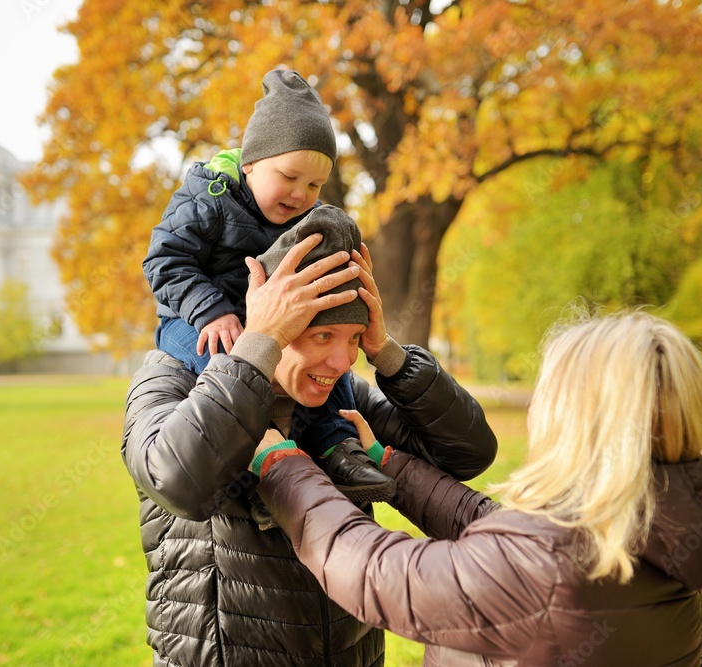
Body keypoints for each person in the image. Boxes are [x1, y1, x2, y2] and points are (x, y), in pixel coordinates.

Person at [256, 311, 702, 666]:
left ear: (580, 419)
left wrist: (285, 467)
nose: (535, 407)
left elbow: (375, 571)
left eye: (547, 391)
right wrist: (393, 467)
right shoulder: (660, 522)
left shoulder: (543, 571)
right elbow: (504, 533)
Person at [121, 207, 498, 666]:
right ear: (274, 321)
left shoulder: (342, 396)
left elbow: (469, 453)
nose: (342, 361)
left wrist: (388, 354)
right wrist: (257, 344)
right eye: (322, 335)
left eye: (354, 337)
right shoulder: (171, 380)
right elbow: (179, 483)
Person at [141, 67, 381, 498]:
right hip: (193, 319)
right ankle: (262, 451)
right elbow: (165, 260)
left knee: (333, 355)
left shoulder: (304, 217)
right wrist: (211, 311)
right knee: (228, 358)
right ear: (250, 162)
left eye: (314, 184)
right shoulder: (209, 197)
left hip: (264, 321)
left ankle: (336, 445)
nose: (300, 194)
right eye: (288, 177)